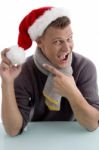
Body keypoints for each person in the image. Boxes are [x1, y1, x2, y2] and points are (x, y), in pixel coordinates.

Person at [0, 6, 99, 137]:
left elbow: (93, 124)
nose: (67, 48)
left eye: (69, 39)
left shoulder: (85, 67)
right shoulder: (23, 71)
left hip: (75, 136)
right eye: (58, 42)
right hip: (37, 138)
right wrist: (7, 83)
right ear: (40, 42)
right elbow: (12, 130)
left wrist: (72, 93)